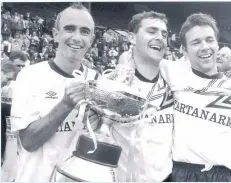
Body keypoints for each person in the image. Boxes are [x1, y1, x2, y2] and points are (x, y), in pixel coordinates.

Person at [10, 3, 100, 182]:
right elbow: (28, 141)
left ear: (91, 39)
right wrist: (66, 104)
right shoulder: (30, 75)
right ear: (55, 34)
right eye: (69, 29)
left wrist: (97, 123)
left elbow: (95, 137)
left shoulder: (96, 78)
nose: (76, 37)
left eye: (84, 31)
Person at [160, 13, 231, 182]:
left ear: (217, 45)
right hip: (182, 174)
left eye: (209, 40)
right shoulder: (172, 74)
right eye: (196, 42)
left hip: (223, 175)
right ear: (184, 50)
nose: (205, 46)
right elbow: (137, 58)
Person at [104, 11, 174, 182]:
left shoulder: (175, 80)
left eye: (164, 34)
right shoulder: (110, 85)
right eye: (151, 31)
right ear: (132, 38)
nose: (160, 37)